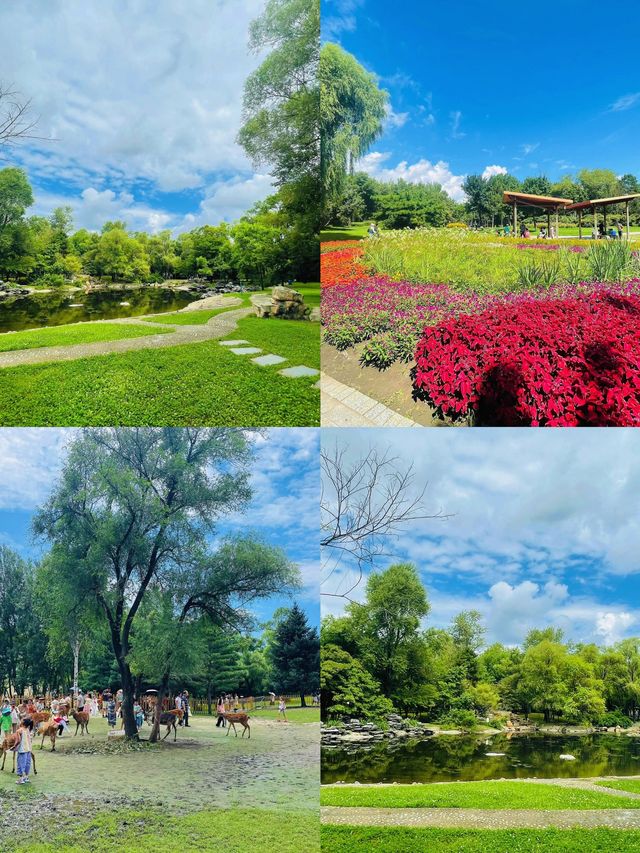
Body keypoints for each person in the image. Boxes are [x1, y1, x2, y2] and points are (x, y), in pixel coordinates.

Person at [13, 717, 34, 785]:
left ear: (23, 723)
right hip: (28, 749)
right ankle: (26, 777)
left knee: (21, 764)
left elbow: (18, 741)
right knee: (27, 764)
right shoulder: (28, 730)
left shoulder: (19, 731)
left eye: (21, 720)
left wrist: (14, 746)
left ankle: (21, 779)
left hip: (22, 750)